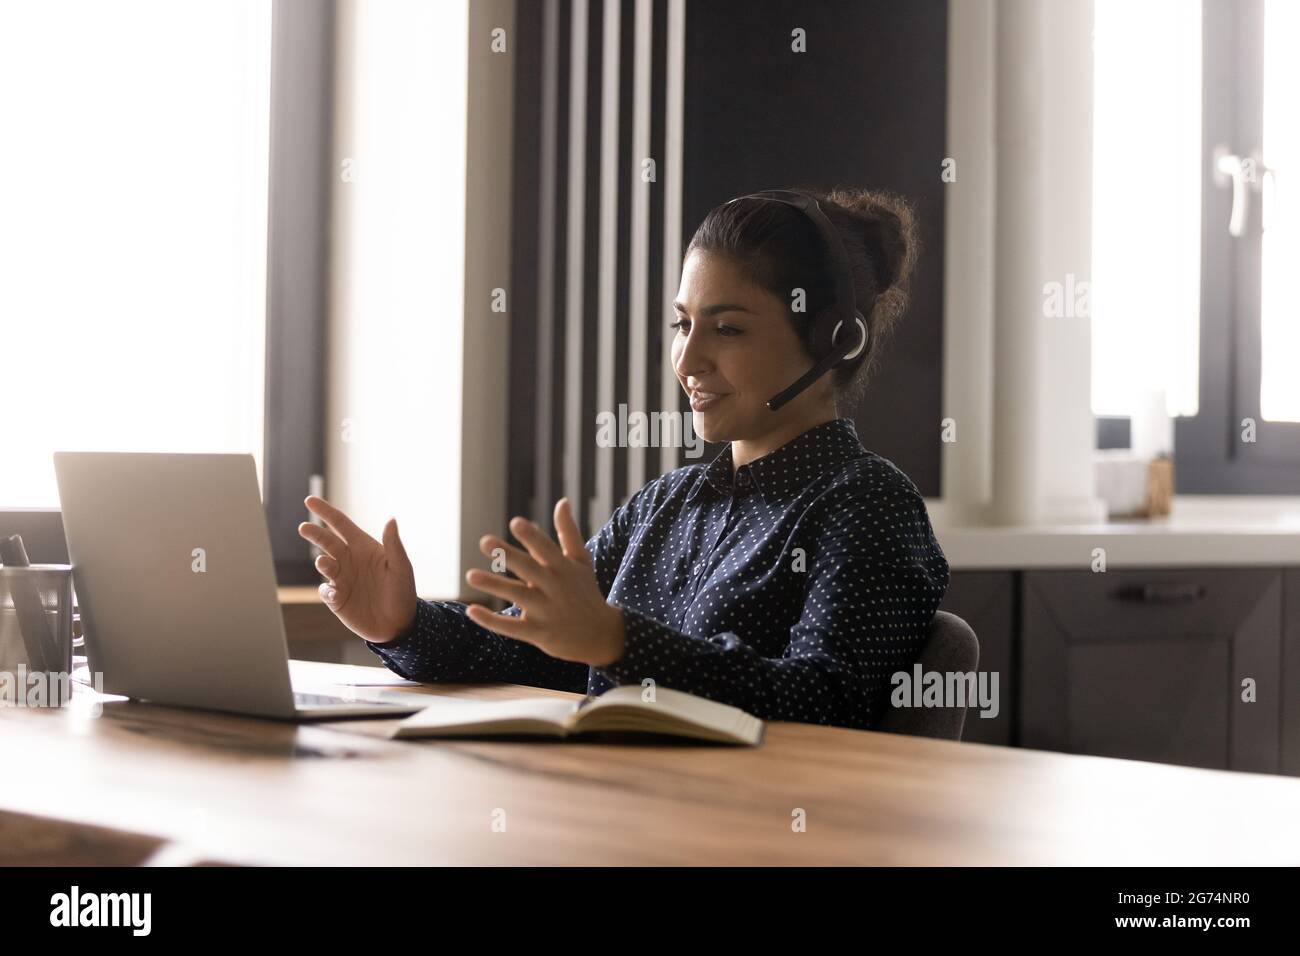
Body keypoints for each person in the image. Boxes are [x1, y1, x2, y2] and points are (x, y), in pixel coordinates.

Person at [298, 186, 949, 731]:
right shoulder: (665, 505)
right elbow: (537, 649)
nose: (689, 361)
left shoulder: (867, 504)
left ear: (832, 341)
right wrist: (402, 624)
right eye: (681, 324)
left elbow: (823, 704)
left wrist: (618, 643)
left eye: (727, 329)